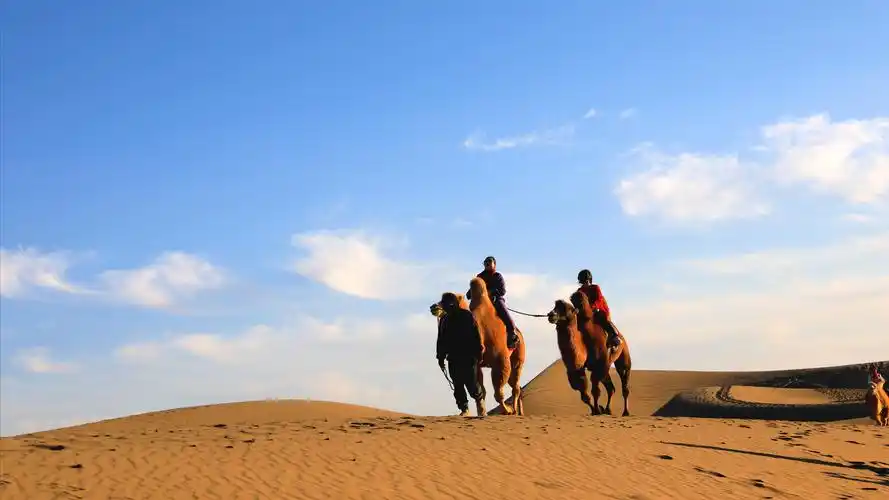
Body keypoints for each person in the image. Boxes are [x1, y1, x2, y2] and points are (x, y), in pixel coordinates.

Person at [435, 292, 485, 416]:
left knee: (472, 384)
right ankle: (464, 409)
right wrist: (440, 357)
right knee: (457, 385)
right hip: (453, 358)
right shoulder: (444, 320)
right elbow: (441, 340)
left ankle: (480, 400)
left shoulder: (467, 316)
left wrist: (479, 353)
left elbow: (476, 335)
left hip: (468, 357)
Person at [465, 256, 519, 349]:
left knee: (501, 307)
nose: (487, 263)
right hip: (481, 303)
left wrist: (490, 292)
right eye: (486, 262)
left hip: (495, 300)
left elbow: (502, 291)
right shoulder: (480, 277)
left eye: (490, 262)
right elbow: (470, 293)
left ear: (494, 264)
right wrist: (471, 292)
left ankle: (511, 331)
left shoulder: (497, 276)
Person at [576, 269, 622, 350]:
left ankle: (615, 336)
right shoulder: (580, 291)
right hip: (584, 312)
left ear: (589, 280)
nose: (585, 284)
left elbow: (599, 299)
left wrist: (592, 307)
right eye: (583, 282)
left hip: (598, 310)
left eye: (586, 281)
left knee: (602, 317)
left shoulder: (595, 288)